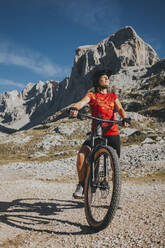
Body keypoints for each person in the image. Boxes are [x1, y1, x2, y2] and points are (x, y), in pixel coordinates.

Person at [70, 70, 129, 199]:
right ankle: (81, 184)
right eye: (104, 77)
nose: (107, 79)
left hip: (112, 132)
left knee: (115, 166)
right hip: (96, 133)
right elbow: (81, 102)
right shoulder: (92, 95)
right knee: (81, 155)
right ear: (97, 81)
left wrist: (125, 118)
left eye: (108, 77)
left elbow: (120, 109)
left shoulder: (113, 96)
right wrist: (75, 108)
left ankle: (116, 197)